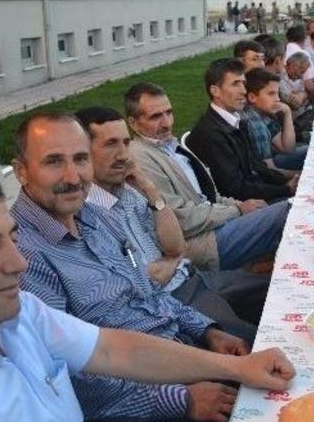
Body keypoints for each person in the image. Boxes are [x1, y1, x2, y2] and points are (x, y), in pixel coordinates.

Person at [0, 165, 295, 422]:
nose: (18, 263)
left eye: (12, 238)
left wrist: (238, 368)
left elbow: (112, 349)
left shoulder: (10, 314)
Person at [11, 112, 269, 422]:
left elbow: (150, 293)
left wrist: (207, 331)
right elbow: (67, 376)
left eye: (80, 159)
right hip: (136, 406)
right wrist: (181, 400)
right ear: (21, 171)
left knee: (276, 363)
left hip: (179, 354)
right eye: (53, 161)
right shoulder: (22, 255)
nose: (73, 177)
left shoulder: (97, 217)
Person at [76, 106, 270, 327]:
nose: (123, 155)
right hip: (173, 300)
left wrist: (150, 190)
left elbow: (176, 246)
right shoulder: (88, 214)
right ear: (82, 153)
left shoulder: (130, 190)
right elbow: (147, 280)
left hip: (191, 278)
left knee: (277, 292)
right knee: (253, 336)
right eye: (111, 144)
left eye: (126, 143)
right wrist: (172, 260)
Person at [126, 83, 289, 272]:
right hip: (201, 243)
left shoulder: (170, 146)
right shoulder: (141, 157)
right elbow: (179, 219)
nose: (167, 123)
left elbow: (211, 196)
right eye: (155, 117)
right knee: (288, 211)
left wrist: (242, 205)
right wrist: (237, 210)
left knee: (286, 209)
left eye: (169, 113)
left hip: (215, 225)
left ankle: (265, 272)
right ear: (133, 123)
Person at [188, 58, 298, 202]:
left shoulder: (235, 121)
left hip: (254, 193)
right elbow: (234, 189)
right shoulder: (211, 134)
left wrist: (287, 179)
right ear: (215, 91)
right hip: (239, 205)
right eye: (235, 84)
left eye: (243, 83)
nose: (244, 91)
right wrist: (286, 189)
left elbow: (255, 166)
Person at [242, 68, 307, 171]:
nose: (278, 99)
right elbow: (264, 165)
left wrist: (287, 113)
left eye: (277, 93)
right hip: (265, 172)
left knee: (310, 149)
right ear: (252, 97)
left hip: (273, 163)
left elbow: (287, 148)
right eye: (271, 94)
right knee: (310, 151)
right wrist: (293, 175)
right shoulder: (254, 121)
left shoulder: (263, 114)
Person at [284, 25, 314, 100]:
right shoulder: (303, 54)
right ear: (304, 39)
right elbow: (309, 85)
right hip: (300, 98)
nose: (300, 76)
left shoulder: (283, 51)